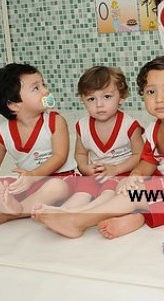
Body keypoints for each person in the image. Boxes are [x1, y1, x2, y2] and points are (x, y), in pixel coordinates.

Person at [33, 55, 164, 239]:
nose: (159, 99)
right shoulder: (154, 128)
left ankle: (78, 221)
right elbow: (148, 161)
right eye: (151, 92)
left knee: (134, 193)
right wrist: (135, 175)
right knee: (125, 185)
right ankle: (92, 214)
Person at [0, 63, 75, 230]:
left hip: (59, 180)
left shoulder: (55, 121)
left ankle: (7, 214)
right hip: (27, 184)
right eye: (36, 88)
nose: (46, 91)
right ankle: (7, 204)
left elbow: (60, 156)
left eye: (43, 84)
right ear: (14, 104)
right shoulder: (4, 132)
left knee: (56, 188)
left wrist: (33, 176)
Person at [37, 66, 144, 213]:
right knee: (83, 189)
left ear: (121, 97)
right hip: (96, 175)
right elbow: (80, 154)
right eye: (91, 99)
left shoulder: (129, 125)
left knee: (109, 191)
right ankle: (64, 211)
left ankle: (83, 212)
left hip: (122, 174)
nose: (99, 104)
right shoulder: (82, 126)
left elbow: (140, 155)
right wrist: (84, 168)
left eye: (107, 97)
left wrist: (116, 169)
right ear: (83, 100)